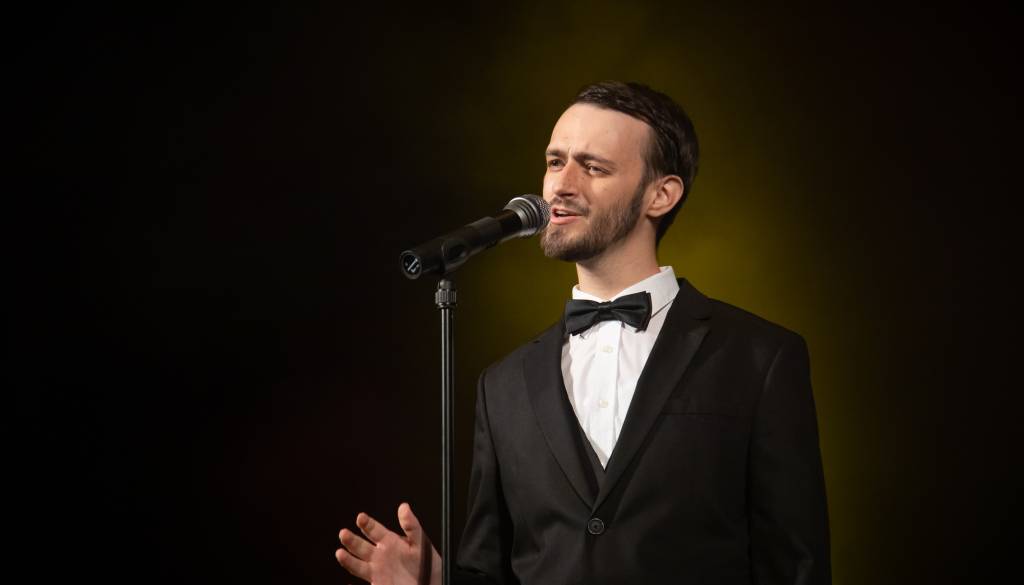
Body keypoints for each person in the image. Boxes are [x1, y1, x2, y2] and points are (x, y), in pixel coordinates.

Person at [336, 81, 830, 584]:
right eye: (555, 162)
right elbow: (492, 570)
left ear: (661, 195)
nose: (560, 186)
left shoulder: (761, 358)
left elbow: (797, 568)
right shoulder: (502, 385)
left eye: (593, 167)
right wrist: (437, 583)